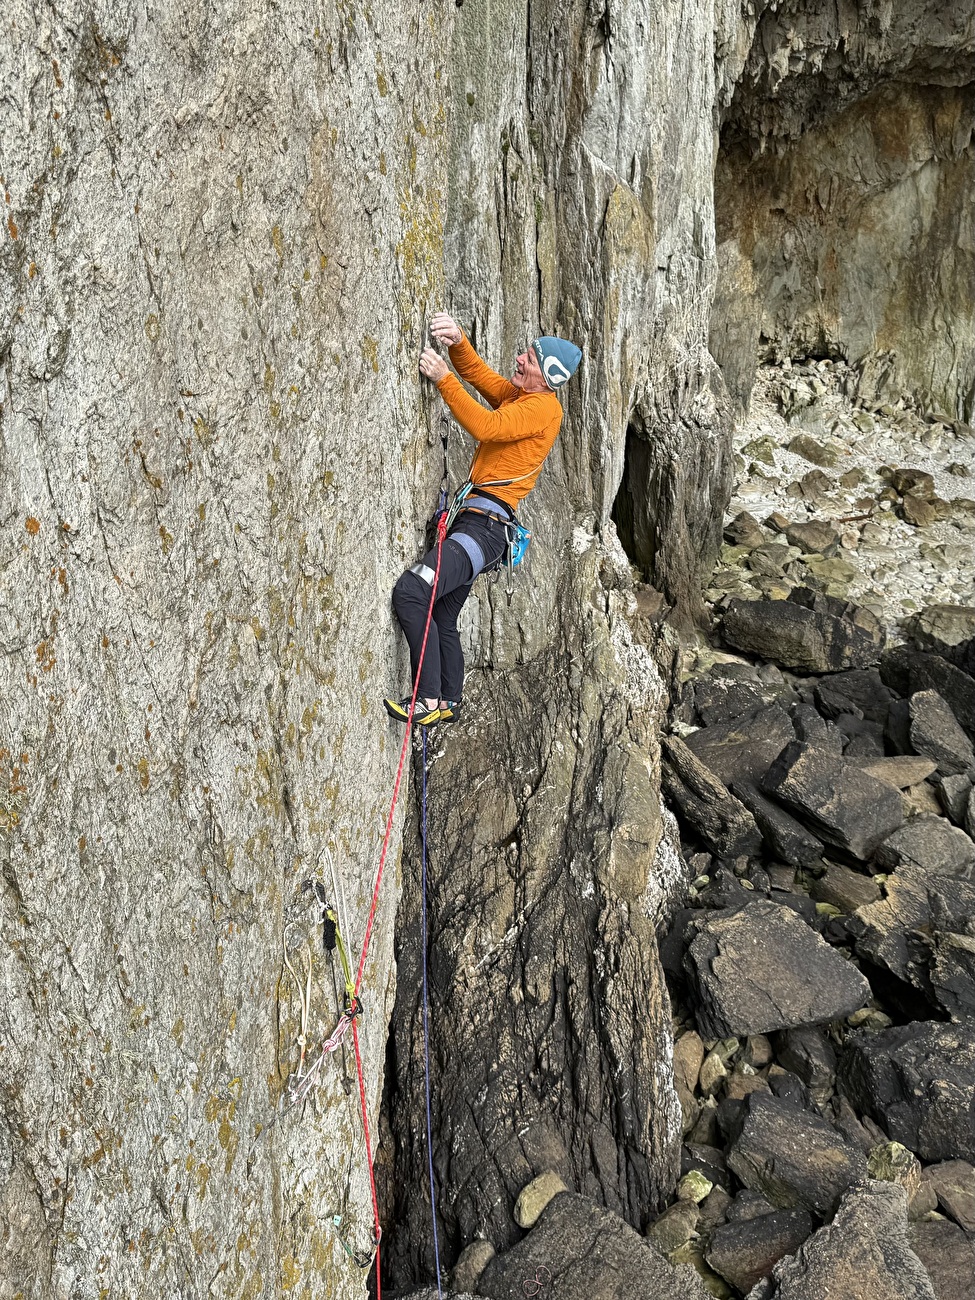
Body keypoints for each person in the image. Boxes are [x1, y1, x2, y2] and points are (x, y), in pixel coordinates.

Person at [384, 312, 582, 726]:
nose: (519, 359)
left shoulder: (542, 409)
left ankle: (427, 700)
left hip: (483, 529)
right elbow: (479, 375)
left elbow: (485, 427)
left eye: (529, 358)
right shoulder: (521, 396)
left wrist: (443, 378)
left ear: (547, 375)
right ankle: (448, 699)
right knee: (442, 614)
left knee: (412, 591)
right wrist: (458, 342)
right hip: (482, 529)